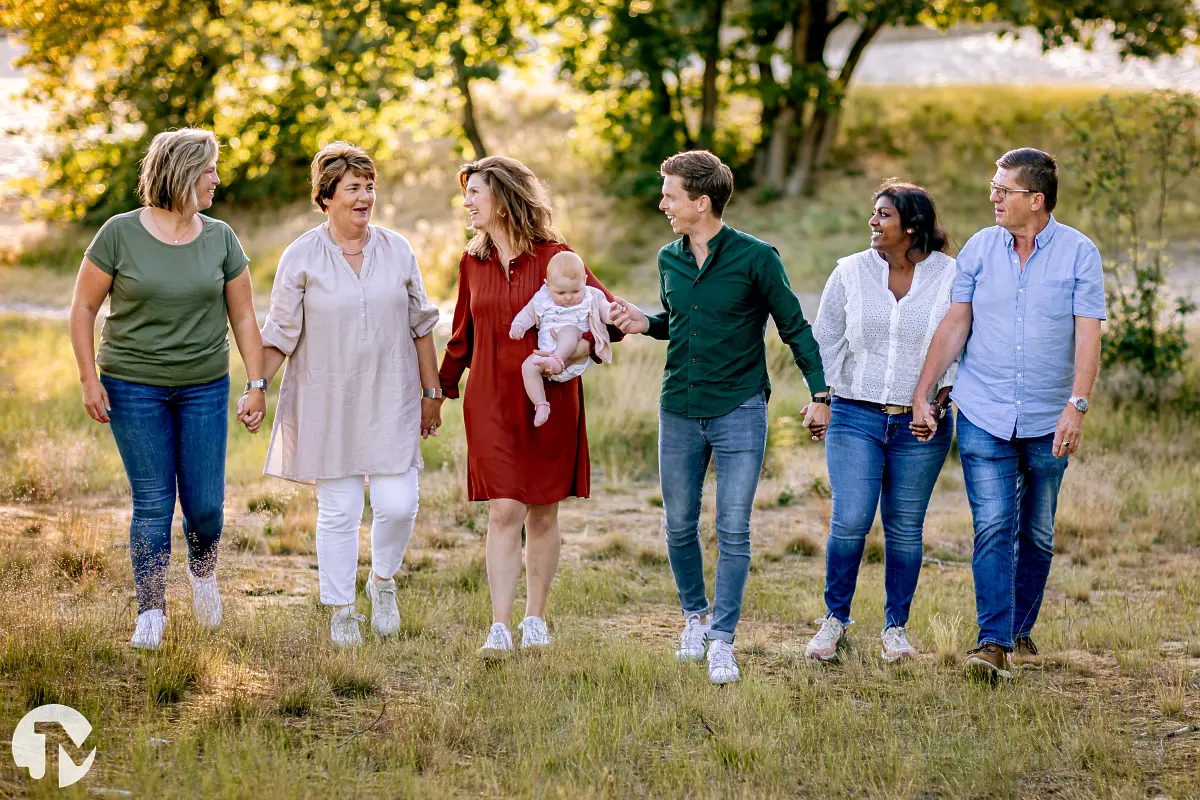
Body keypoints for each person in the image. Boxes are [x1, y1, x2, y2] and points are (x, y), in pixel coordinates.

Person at [611, 150, 830, 685]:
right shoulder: (669, 259)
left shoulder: (757, 258)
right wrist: (647, 322)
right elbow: (680, 321)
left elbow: (794, 327)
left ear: (701, 201)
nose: (662, 202)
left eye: (670, 194)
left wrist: (821, 392)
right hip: (679, 409)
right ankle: (695, 618)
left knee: (733, 528)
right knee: (680, 524)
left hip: (739, 409)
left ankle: (723, 640)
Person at [68, 128, 265, 651]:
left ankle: (203, 579)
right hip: (133, 386)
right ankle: (150, 613)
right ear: (182, 171)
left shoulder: (220, 237)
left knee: (204, 505)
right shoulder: (118, 234)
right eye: (210, 170)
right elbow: (84, 308)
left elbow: (243, 316)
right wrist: (89, 378)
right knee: (153, 500)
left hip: (203, 385)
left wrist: (257, 381)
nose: (217, 180)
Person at [912, 148, 1105, 679]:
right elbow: (956, 323)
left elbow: (1088, 335)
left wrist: (1077, 406)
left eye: (1005, 189)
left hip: (1049, 417)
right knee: (994, 525)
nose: (993, 196)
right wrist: (924, 390)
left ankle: (1019, 628)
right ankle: (992, 642)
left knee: (1037, 531)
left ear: (1036, 199)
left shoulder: (1078, 254)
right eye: (993, 186)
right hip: (984, 411)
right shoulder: (978, 248)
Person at [253, 142, 441, 647]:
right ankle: (340, 609)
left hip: (392, 396)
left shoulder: (397, 248)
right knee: (338, 512)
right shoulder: (301, 256)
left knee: (398, 504)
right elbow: (280, 333)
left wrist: (432, 391)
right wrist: (257, 387)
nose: (365, 197)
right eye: (353, 188)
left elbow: (421, 324)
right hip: (326, 399)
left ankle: (382, 582)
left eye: (369, 187)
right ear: (327, 198)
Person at [435, 155, 623, 656]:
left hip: (549, 399)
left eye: (475, 192)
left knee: (541, 512)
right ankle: (499, 625)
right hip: (490, 400)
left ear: (503, 197)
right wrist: (440, 391)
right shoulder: (471, 263)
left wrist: (576, 348)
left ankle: (534, 619)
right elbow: (461, 335)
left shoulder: (557, 257)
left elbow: (609, 318)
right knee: (504, 509)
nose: (467, 201)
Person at [805, 180, 957, 664]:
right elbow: (825, 339)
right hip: (855, 413)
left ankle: (896, 628)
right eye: (874, 213)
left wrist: (936, 400)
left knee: (905, 529)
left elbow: (960, 341)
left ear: (911, 226)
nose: (873, 222)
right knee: (850, 521)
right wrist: (821, 398)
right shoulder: (850, 272)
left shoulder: (951, 275)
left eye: (884, 215)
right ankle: (835, 620)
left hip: (921, 424)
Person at [509, 250, 613, 427]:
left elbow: (605, 310)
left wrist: (614, 313)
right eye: (561, 292)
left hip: (572, 355)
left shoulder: (591, 296)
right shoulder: (542, 298)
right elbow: (528, 313)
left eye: (575, 291)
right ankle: (541, 404)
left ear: (585, 282)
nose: (569, 297)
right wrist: (518, 325)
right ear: (547, 285)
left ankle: (557, 358)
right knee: (528, 366)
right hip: (546, 359)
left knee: (569, 330)